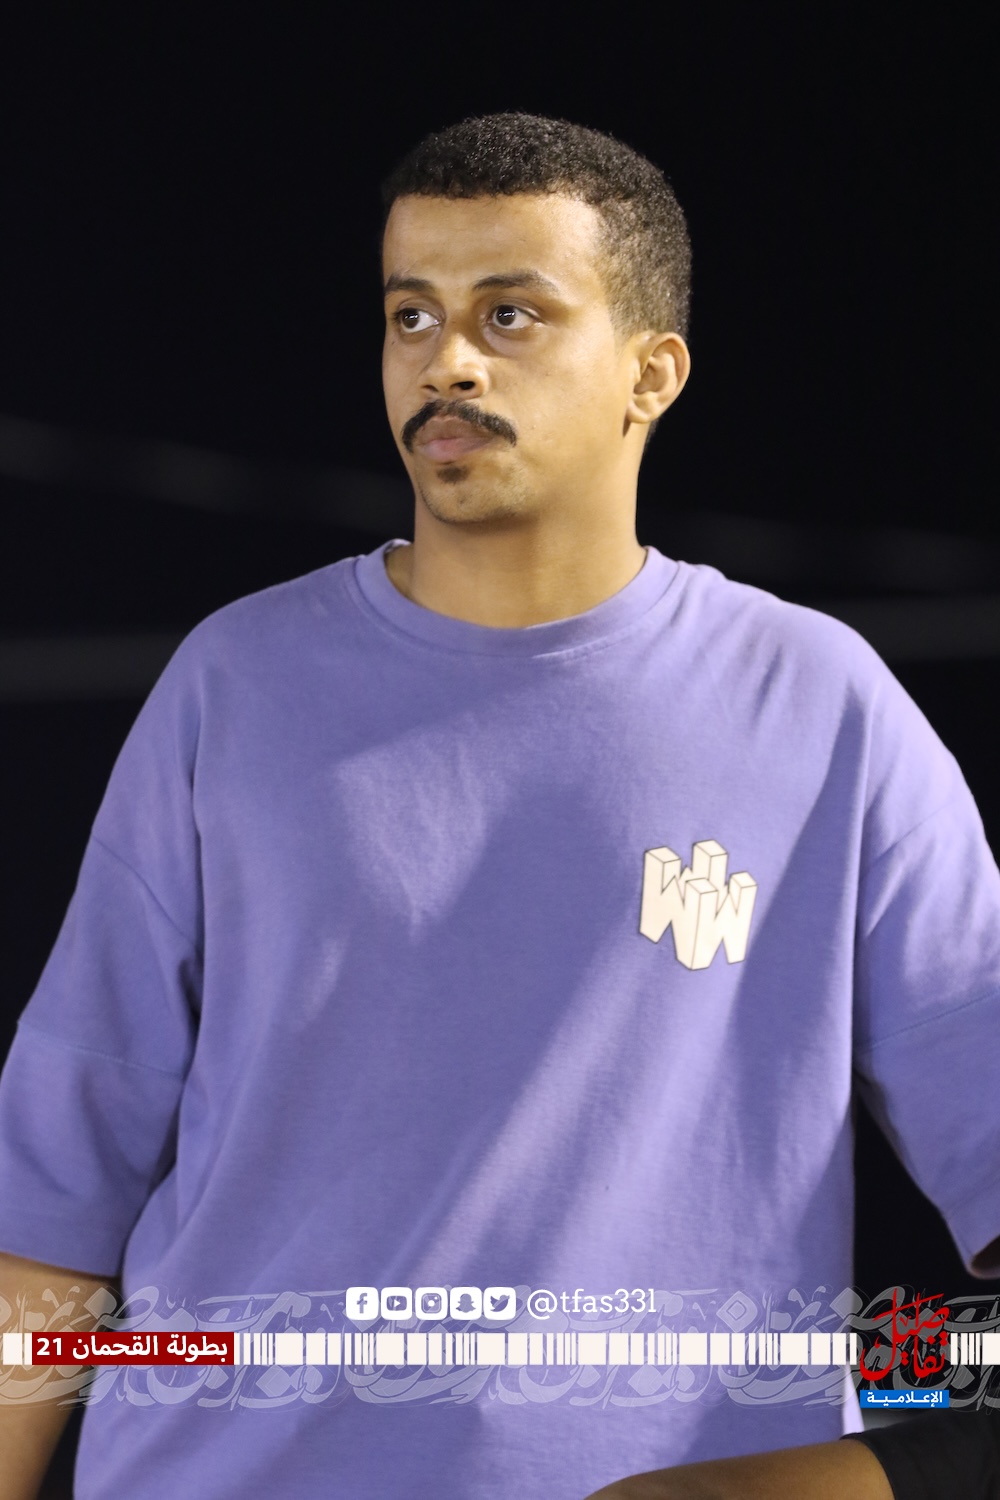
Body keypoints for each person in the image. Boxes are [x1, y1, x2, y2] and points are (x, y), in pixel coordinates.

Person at [0, 112, 998, 1500]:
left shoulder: (820, 705)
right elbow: (49, 1206)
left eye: (510, 315)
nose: (447, 360)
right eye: (412, 315)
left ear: (653, 372)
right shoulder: (236, 682)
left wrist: (876, 1474)